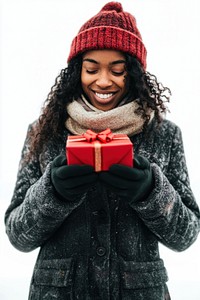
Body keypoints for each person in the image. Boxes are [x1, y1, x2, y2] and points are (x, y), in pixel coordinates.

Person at [4, 2, 200, 299]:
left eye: (118, 70)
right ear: (76, 72)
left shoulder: (165, 135)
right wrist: (53, 192)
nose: (103, 81)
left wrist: (150, 191)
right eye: (91, 69)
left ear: (133, 74)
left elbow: (186, 236)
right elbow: (18, 235)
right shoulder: (42, 133)